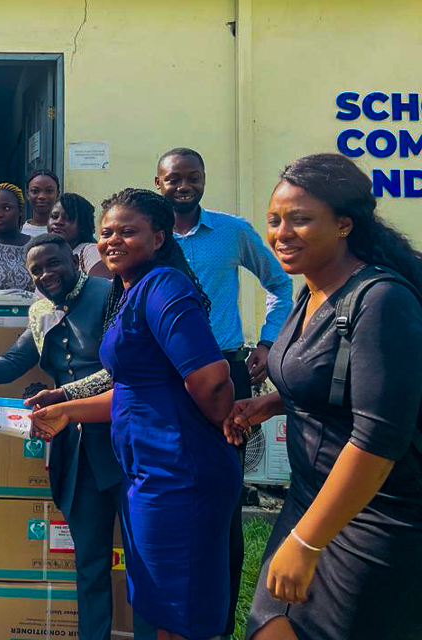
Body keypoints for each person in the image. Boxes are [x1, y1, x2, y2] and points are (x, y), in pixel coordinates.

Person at [224, 154, 422, 640]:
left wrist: (309, 542)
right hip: (308, 497)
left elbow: (380, 436)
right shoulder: (311, 292)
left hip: (373, 515)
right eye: (274, 220)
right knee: (270, 629)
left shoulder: (380, 300)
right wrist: (270, 403)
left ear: (344, 226)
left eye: (301, 219)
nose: (281, 233)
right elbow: (328, 376)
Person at [32, 189, 241, 640]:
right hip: (147, 472)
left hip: (179, 473)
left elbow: (211, 379)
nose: (113, 241)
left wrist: (221, 422)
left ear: (160, 237)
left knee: (180, 612)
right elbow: (136, 390)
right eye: (106, 232)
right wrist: (68, 410)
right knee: (160, 603)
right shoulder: (129, 293)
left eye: (129, 232)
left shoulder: (165, 286)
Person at [0, 233, 131, 640]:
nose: (46, 274)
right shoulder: (40, 311)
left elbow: (123, 368)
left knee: (142, 564)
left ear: (74, 259)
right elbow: (11, 364)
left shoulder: (109, 293)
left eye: (53, 263)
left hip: (125, 443)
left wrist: (62, 395)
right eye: (36, 270)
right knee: (90, 564)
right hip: (78, 454)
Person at [155, 147, 294, 638]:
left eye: (193, 178)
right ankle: (170, 612)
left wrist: (267, 340)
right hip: (164, 377)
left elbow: (280, 283)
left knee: (224, 495)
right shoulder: (148, 233)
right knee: (167, 490)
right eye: (174, 179)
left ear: (204, 180)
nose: (184, 186)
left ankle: (221, 618)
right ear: (159, 183)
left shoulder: (232, 231)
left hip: (225, 373)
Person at [47, 192, 111, 278]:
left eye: (68, 218)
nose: (58, 222)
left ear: (83, 226)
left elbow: (102, 288)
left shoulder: (91, 251)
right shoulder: (48, 255)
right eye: (54, 217)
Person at [22, 169, 61, 236]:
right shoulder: (19, 232)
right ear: (28, 194)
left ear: (57, 194)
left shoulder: (63, 231)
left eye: (49, 191)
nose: (42, 196)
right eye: (35, 191)